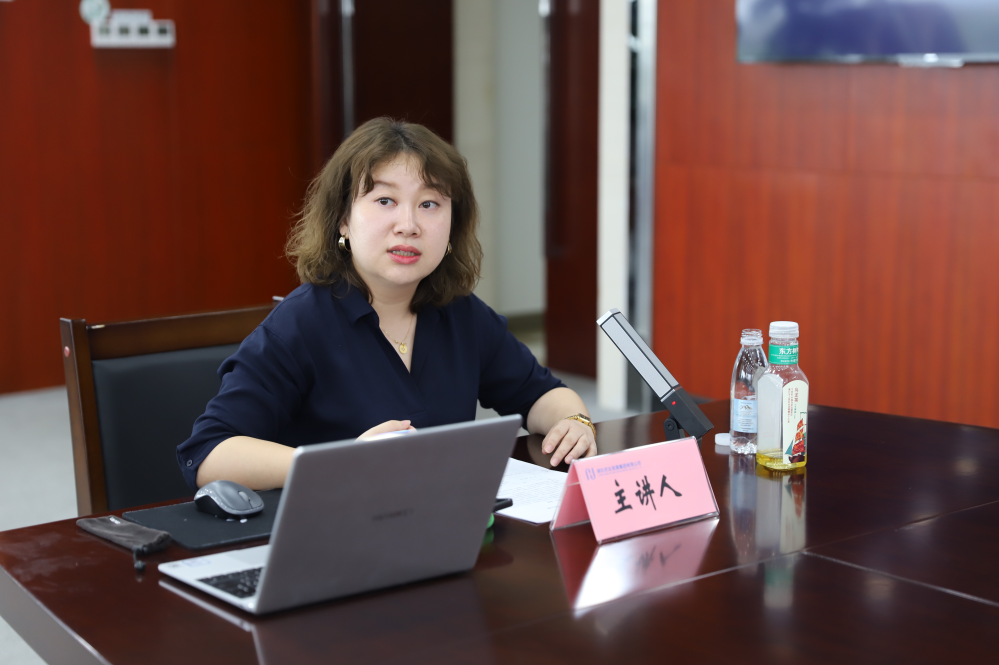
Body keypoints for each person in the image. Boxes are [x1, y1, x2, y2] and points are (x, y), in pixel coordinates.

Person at [177, 118, 597, 490]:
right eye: (385, 201)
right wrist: (342, 463)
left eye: (429, 204)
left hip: (442, 529)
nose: (408, 225)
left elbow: (541, 394)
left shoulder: (460, 312)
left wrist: (574, 421)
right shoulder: (300, 325)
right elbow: (210, 455)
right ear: (343, 219)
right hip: (335, 535)